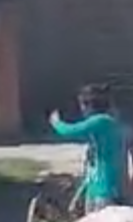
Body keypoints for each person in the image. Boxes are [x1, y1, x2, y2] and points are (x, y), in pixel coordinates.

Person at [49, 83, 128, 214]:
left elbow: (68, 131)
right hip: (96, 189)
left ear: (89, 105)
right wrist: (79, 195)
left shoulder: (102, 121)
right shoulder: (99, 130)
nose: (81, 110)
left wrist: (55, 122)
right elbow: (92, 169)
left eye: (82, 105)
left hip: (105, 191)